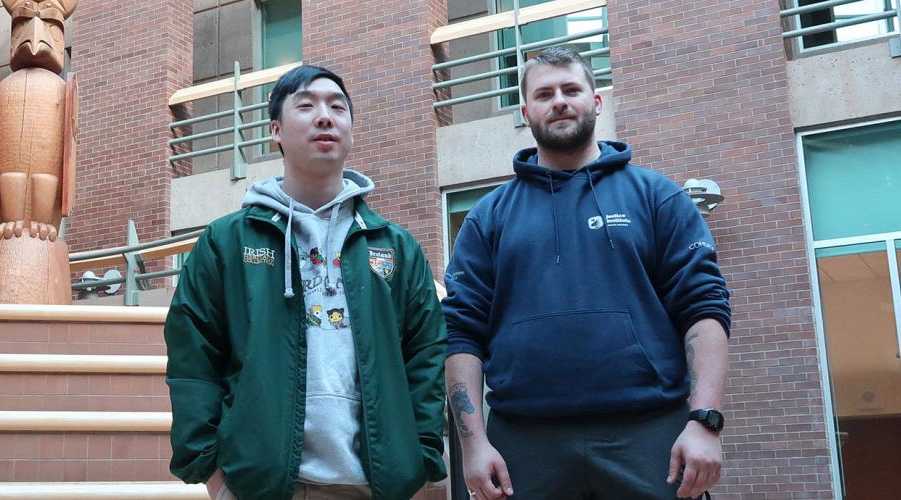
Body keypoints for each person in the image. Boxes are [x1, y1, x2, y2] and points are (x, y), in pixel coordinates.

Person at [442, 46, 731, 500]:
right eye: (544, 94)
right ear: (525, 112)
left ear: (596, 102)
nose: (558, 101)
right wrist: (472, 444)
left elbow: (705, 309)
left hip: (650, 434)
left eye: (571, 89)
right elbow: (461, 333)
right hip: (524, 441)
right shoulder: (488, 217)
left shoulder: (658, 198)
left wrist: (705, 420)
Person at [165, 64, 448, 500]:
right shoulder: (228, 241)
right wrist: (213, 471)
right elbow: (193, 358)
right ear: (275, 130)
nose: (324, 116)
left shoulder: (396, 247)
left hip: (374, 485)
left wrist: (421, 457)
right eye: (306, 105)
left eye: (337, 107)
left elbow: (425, 356)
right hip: (259, 485)